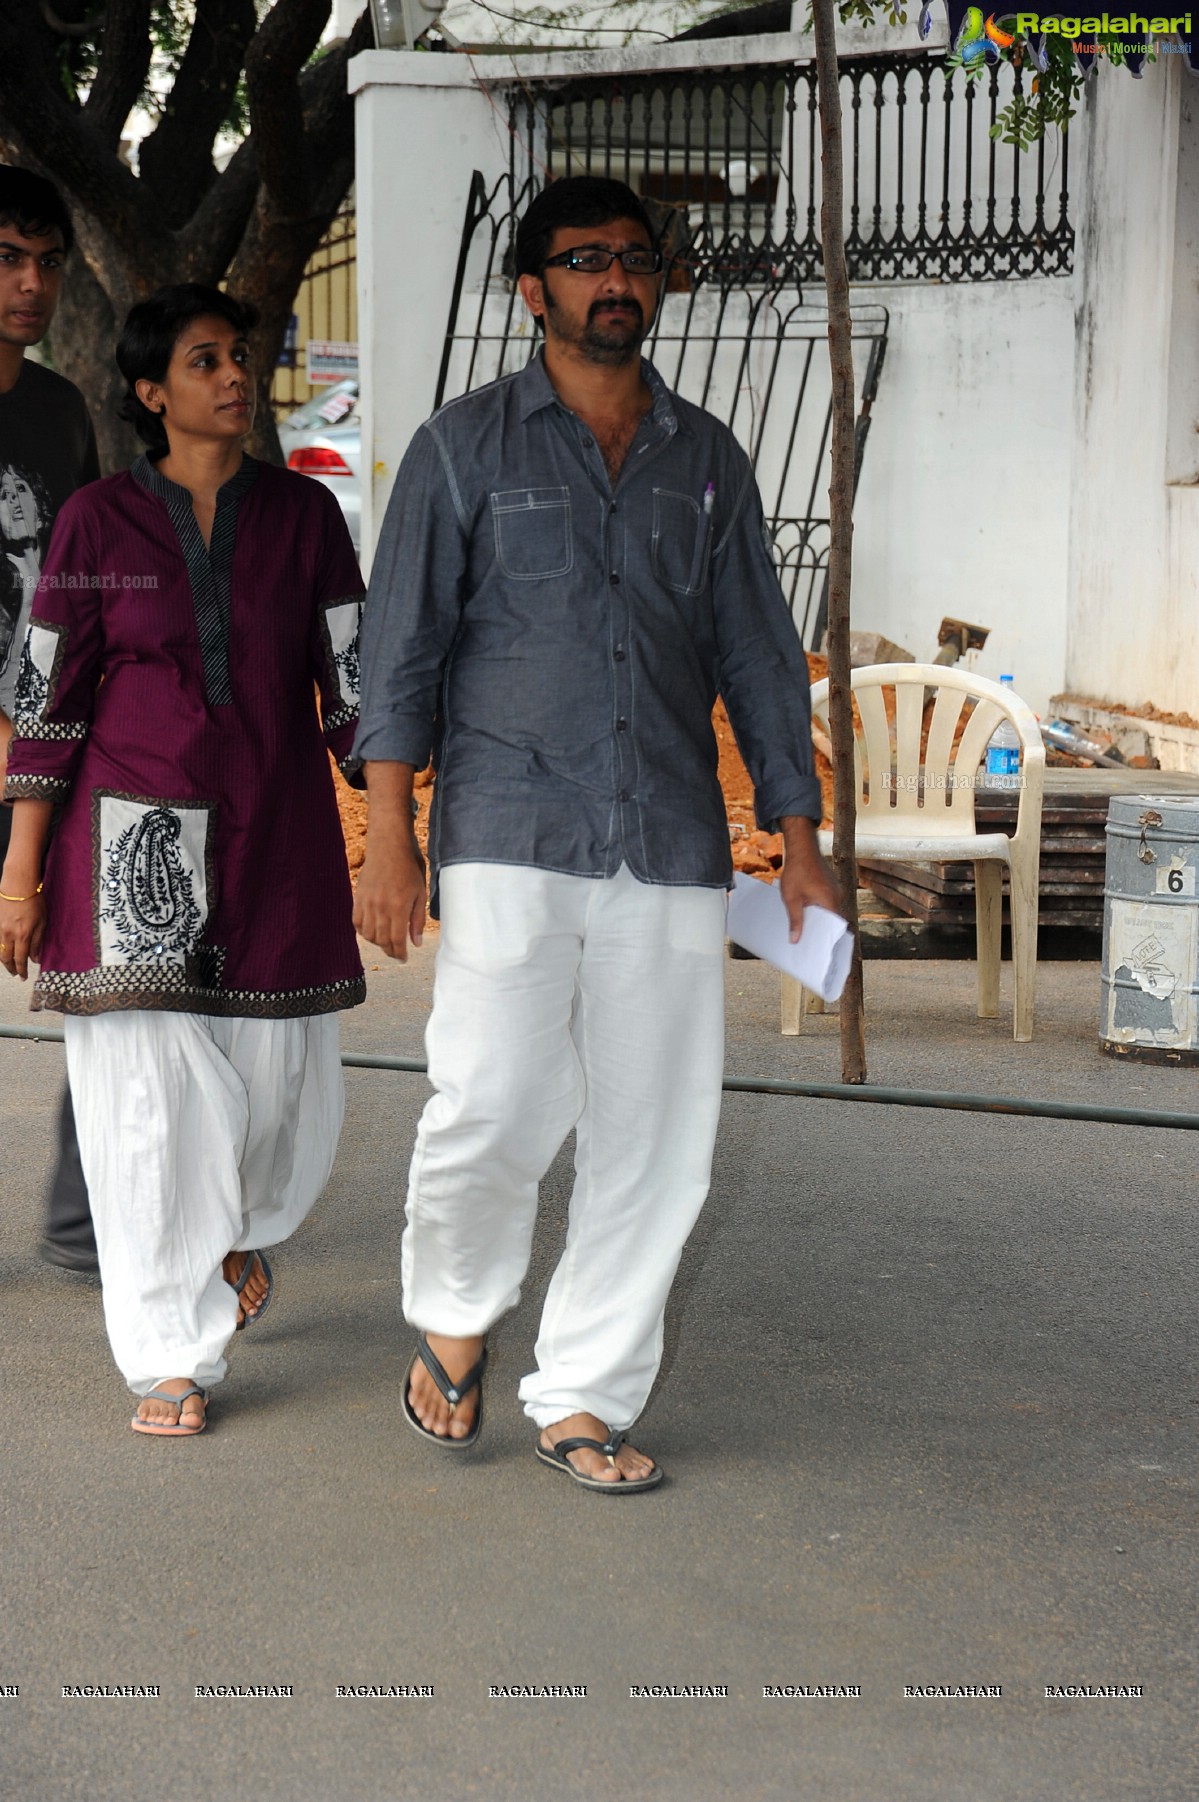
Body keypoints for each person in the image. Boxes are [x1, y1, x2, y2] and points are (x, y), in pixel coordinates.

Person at [354, 175, 839, 1492]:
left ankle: (582, 1391)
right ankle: (451, 1318)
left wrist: (795, 829)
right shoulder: (460, 449)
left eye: (632, 258)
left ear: (660, 281)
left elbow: (757, 652)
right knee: (494, 1095)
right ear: (532, 289)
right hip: (508, 820)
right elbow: (399, 648)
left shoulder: (708, 460)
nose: (612, 279)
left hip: (671, 833)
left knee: (656, 1127)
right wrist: (387, 830)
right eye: (582, 260)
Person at [0, 284, 365, 1436]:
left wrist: (405, 825)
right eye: (206, 360)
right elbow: (47, 695)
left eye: (241, 356)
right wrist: (21, 871)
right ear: (153, 392)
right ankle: (169, 1348)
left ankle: (234, 1233)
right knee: (149, 1098)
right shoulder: (99, 523)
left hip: (278, 823)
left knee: (274, 1087)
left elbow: (351, 681)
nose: (234, 375)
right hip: (134, 828)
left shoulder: (307, 518)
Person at [0, 166, 100, 1273]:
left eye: (46, 261)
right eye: (7, 258)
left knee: (106, 971)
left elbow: (81, 592)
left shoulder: (60, 410)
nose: (32, 284)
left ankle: (84, 1217)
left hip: (49, 752)